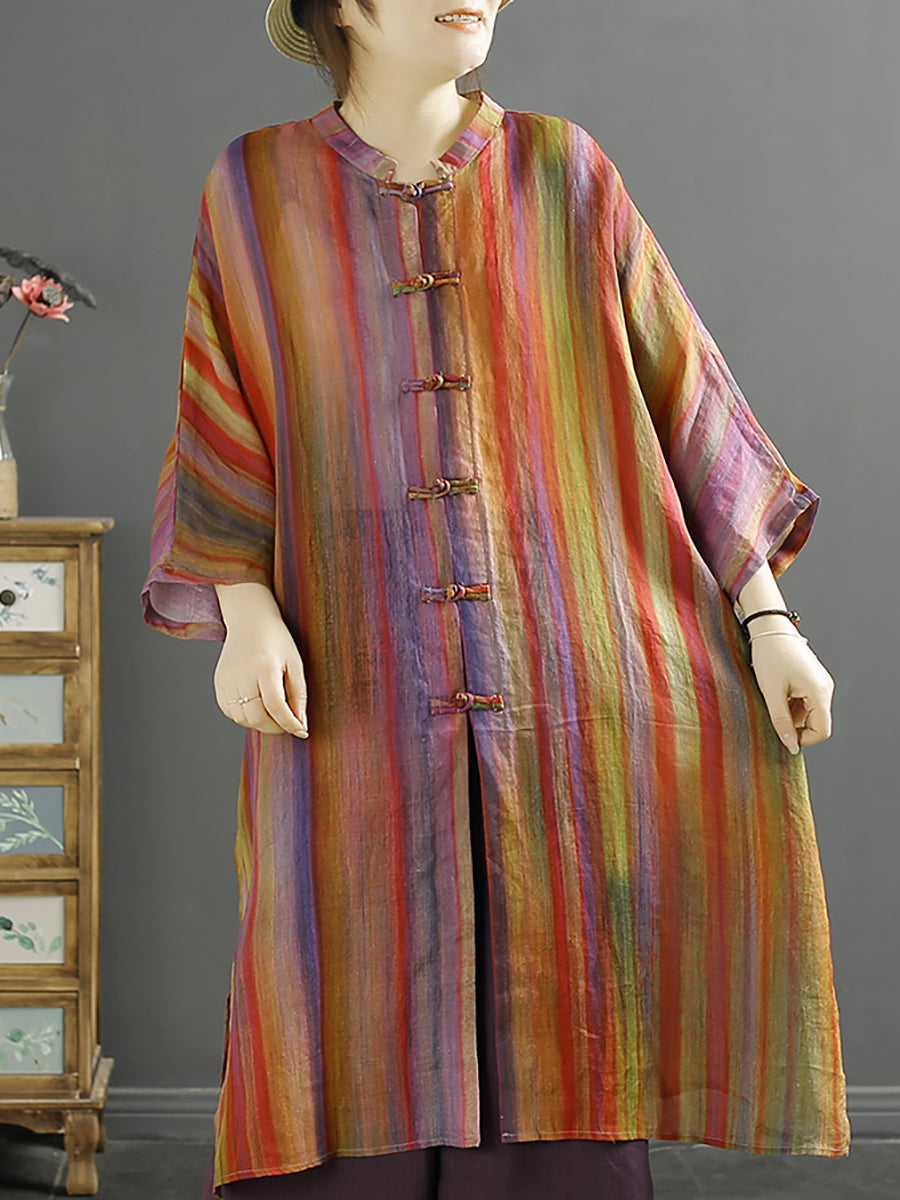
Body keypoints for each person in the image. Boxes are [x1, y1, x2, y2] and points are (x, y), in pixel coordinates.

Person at [141, 2, 851, 1198]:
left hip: (568, 681)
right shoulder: (253, 189)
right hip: (351, 676)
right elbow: (225, 416)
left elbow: (684, 400)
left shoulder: (563, 169)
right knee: (344, 982)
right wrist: (246, 614)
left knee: (563, 988)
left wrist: (767, 619)